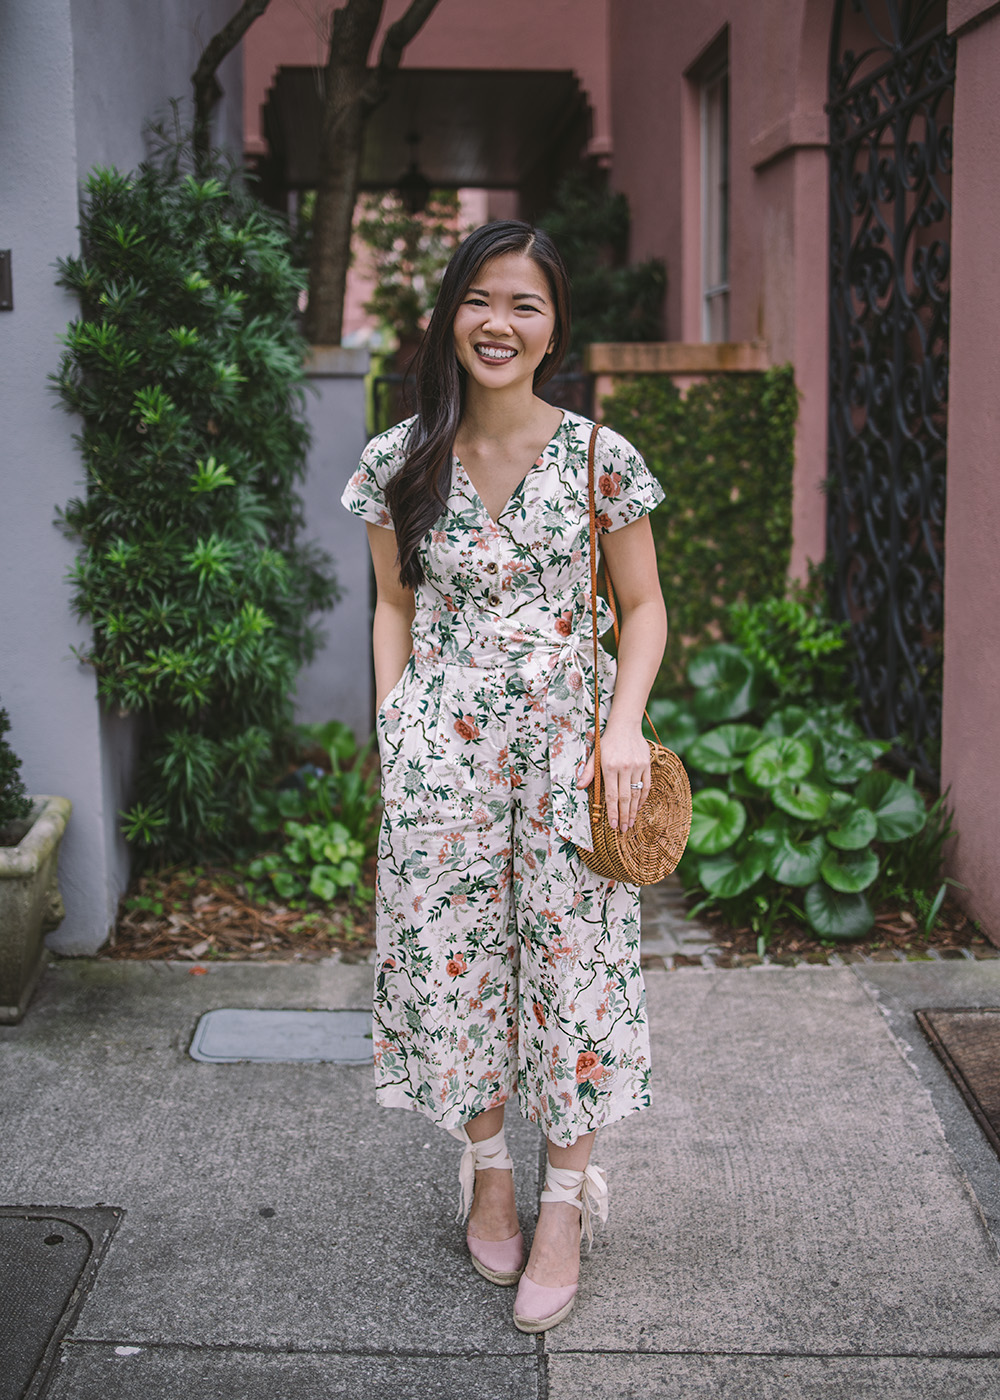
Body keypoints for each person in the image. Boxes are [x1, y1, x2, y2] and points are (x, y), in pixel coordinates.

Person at [340, 220, 667, 1333]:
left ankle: (566, 1201)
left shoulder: (597, 459)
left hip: (572, 760)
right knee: (456, 964)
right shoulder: (399, 458)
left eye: (524, 303)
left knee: (574, 973)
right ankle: (487, 1169)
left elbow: (646, 608)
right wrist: (397, 733)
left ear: (553, 326)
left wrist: (623, 730)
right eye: (481, 298)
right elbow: (391, 602)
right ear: (450, 315)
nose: (499, 323)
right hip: (443, 759)